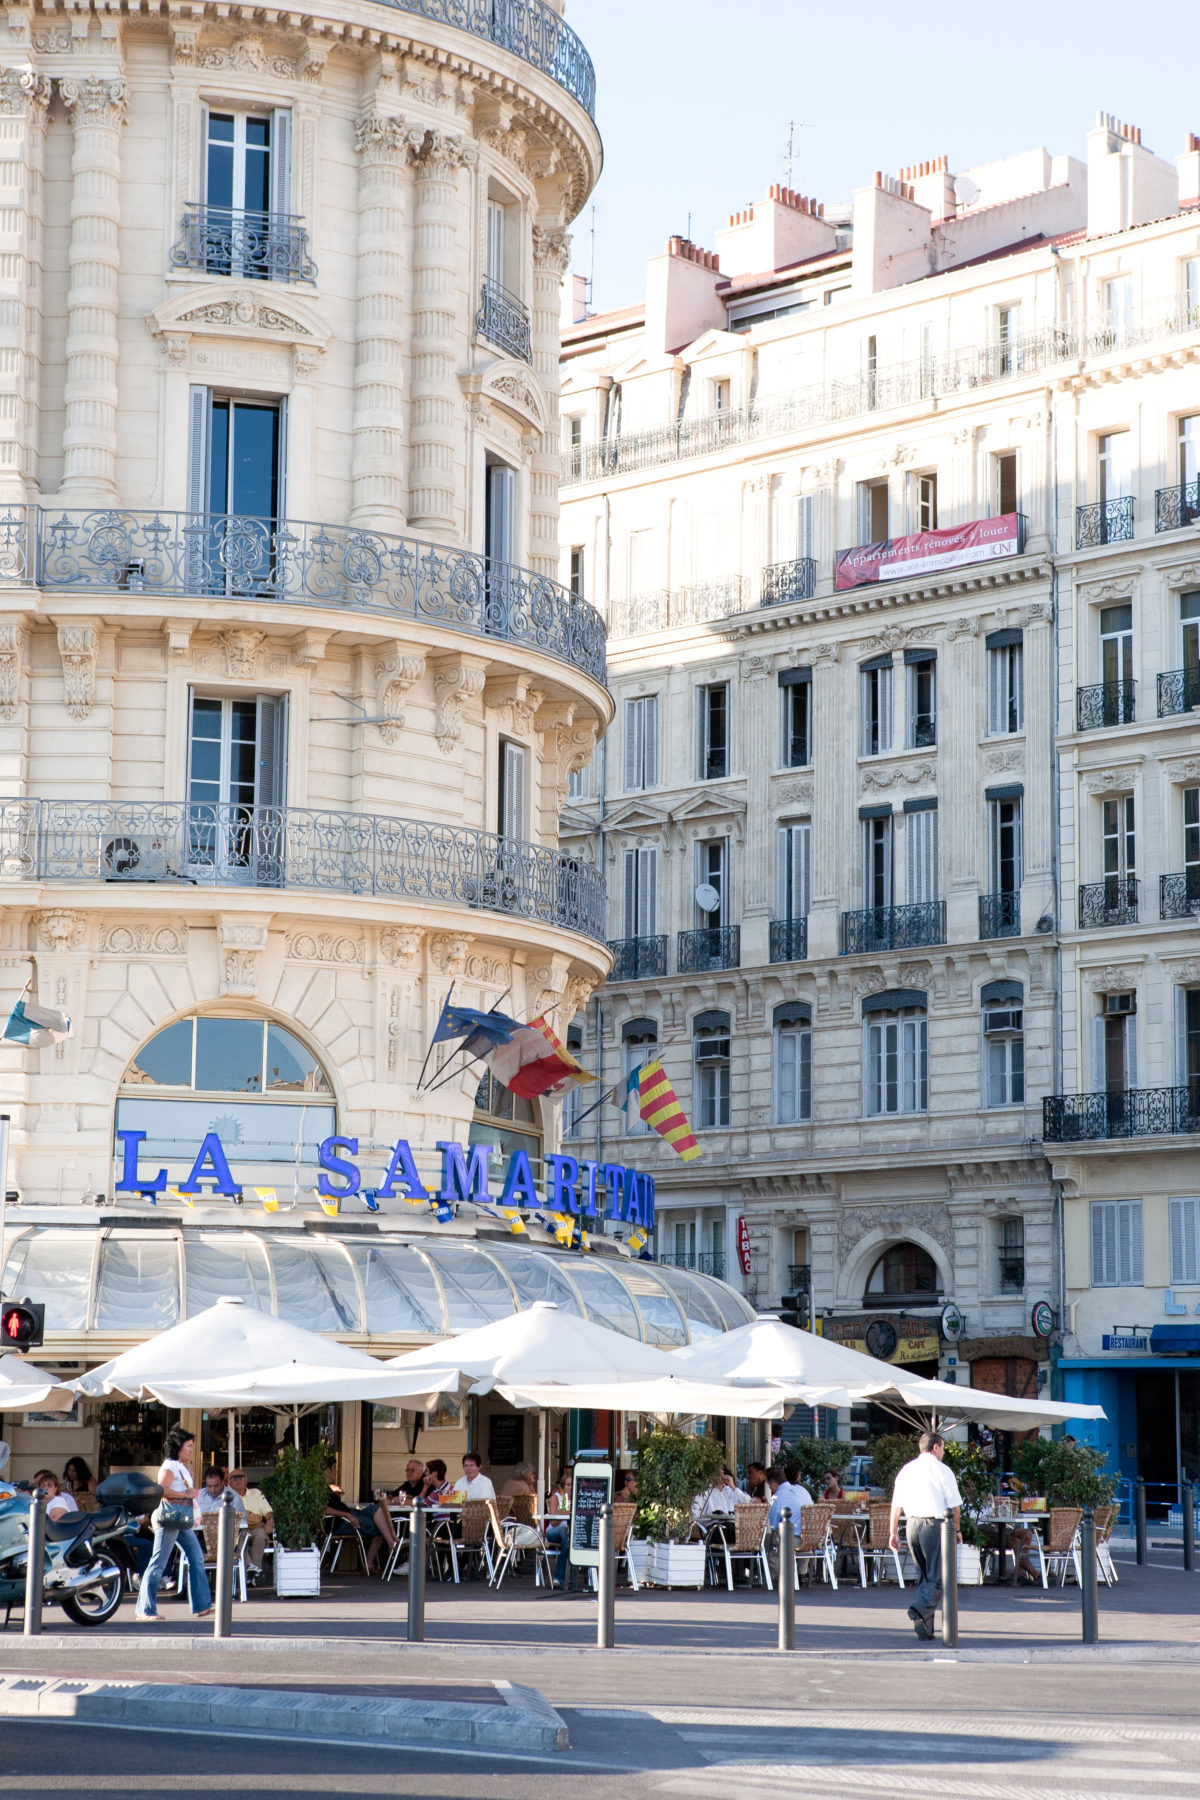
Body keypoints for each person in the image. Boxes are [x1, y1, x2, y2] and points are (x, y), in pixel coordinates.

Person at [888, 1430, 963, 1641]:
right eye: (943, 1449)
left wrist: (893, 1532)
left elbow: (896, 1505)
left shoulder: (906, 1469)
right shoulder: (943, 1470)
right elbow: (955, 1507)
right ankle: (919, 1609)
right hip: (935, 1525)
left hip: (912, 1524)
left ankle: (926, 1627)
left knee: (924, 1576)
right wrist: (957, 1530)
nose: (943, 1453)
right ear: (936, 1447)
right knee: (939, 1576)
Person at [137, 1425, 213, 1623]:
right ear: (178, 1446)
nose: (190, 1450)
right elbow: (161, 1490)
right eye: (188, 1446)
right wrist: (185, 1494)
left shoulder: (177, 1466)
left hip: (178, 1520)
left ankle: (202, 1605)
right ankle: (145, 1608)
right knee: (158, 1563)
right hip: (170, 1519)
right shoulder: (170, 1466)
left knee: (196, 1557)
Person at [323, 1460, 398, 1576]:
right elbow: (323, 1509)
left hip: (349, 1515)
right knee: (381, 1526)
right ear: (327, 1470)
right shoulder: (320, 1489)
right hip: (341, 1522)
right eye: (334, 1468)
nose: (336, 1472)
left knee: (376, 1509)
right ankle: (387, 1547)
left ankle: (389, 1543)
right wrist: (347, 1515)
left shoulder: (326, 1487)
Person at [227, 1469, 273, 1583]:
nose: (238, 1480)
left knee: (261, 1534)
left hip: (256, 1527)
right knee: (240, 1537)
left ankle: (251, 1571)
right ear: (229, 1482)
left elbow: (268, 1512)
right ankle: (251, 1570)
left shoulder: (255, 1493)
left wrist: (269, 1522)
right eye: (234, 1478)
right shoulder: (226, 1496)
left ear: (246, 1480)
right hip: (237, 1529)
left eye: (241, 1477)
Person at [545, 1465, 571, 1589]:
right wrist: (567, 1512)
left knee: (568, 1541)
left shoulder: (578, 1499)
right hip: (553, 1532)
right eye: (568, 1485)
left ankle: (562, 1578)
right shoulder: (557, 1497)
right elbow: (554, 1521)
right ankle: (560, 1577)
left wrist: (561, 1512)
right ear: (563, 1486)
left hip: (569, 1534)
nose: (570, 1488)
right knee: (564, 1531)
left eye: (572, 1485)